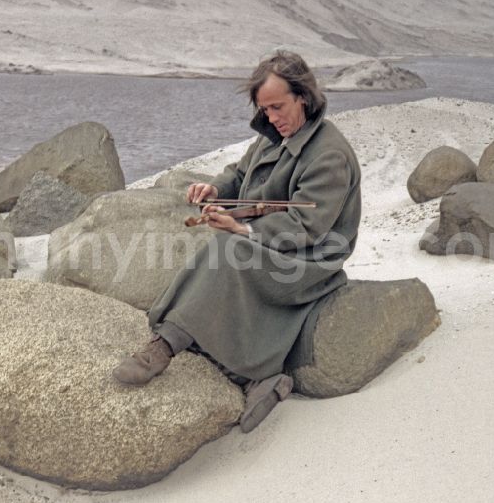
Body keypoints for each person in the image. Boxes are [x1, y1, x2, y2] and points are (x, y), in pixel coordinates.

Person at [111, 49, 361, 432]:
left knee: (228, 250)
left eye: (278, 107)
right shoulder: (274, 136)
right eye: (265, 110)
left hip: (310, 259)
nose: (272, 118)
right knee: (220, 249)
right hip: (277, 244)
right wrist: (213, 190)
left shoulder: (329, 154)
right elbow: (238, 175)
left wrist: (244, 230)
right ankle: (256, 378)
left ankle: (165, 346)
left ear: (304, 98)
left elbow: (307, 225)